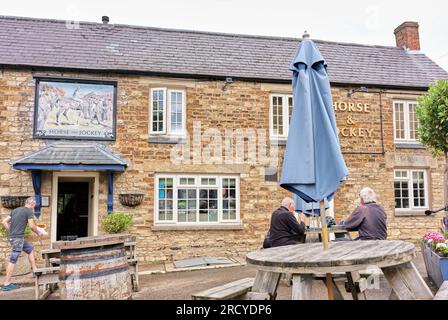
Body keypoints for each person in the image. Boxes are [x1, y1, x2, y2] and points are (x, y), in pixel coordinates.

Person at [1, 197, 43, 291]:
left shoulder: (15, 210)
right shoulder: (28, 211)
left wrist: (11, 231)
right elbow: (32, 226)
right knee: (13, 259)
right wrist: (38, 232)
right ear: (32, 204)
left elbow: (4, 221)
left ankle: (34, 270)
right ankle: (7, 283)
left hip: (14, 237)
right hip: (18, 238)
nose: (34, 206)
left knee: (30, 249)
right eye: (34, 205)